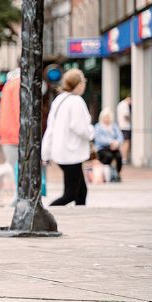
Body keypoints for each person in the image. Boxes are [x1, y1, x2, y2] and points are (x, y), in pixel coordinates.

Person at [42, 69, 95, 206]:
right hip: (71, 153)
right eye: (83, 82)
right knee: (71, 194)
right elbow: (79, 127)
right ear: (78, 84)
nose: (84, 85)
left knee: (81, 191)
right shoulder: (76, 101)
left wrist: (46, 152)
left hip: (61, 152)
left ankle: (78, 217)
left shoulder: (59, 100)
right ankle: (45, 212)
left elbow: (50, 128)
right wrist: (91, 132)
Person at [0, 68, 21, 171]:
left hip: (8, 133)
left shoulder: (9, 84)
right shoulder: (18, 85)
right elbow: (19, 110)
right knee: (18, 172)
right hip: (16, 134)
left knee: (14, 169)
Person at [93, 107, 124, 182]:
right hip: (102, 148)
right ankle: (107, 174)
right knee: (108, 156)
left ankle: (118, 174)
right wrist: (111, 142)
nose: (106, 119)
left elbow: (120, 137)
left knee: (119, 156)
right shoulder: (98, 126)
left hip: (114, 147)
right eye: (105, 117)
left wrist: (116, 143)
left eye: (108, 117)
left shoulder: (114, 126)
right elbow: (98, 139)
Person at [116, 95, 131, 164]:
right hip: (125, 127)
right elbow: (126, 116)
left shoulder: (120, 104)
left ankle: (123, 157)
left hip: (121, 126)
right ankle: (124, 158)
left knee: (123, 142)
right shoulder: (124, 105)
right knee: (126, 142)